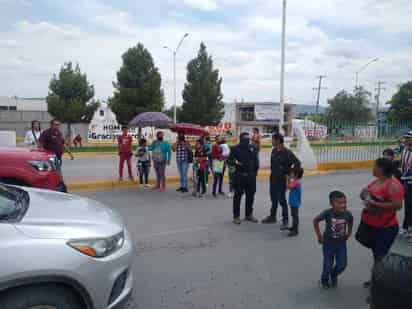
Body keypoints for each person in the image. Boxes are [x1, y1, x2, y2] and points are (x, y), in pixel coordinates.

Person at [358, 158, 404, 288]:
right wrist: (364, 194)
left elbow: (397, 205)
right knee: (377, 256)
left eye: (375, 166)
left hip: (385, 228)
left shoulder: (393, 185)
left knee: (380, 258)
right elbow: (368, 190)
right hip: (372, 225)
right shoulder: (378, 180)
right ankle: (376, 281)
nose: (373, 168)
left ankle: (379, 287)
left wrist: (374, 203)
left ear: (381, 169)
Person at [313, 191, 354, 289]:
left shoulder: (347, 213)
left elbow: (351, 220)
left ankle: (333, 274)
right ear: (331, 204)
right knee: (328, 264)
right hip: (328, 244)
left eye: (344, 202)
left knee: (342, 265)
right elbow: (316, 220)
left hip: (341, 244)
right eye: (339, 203)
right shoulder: (327, 213)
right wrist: (319, 236)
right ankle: (324, 279)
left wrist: (349, 232)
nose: (343, 205)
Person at [262, 133, 301, 228]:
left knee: (282, 200)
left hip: (282, 180)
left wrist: (290, 174)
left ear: (278, 140)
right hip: (273, 178)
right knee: (273, 198)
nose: (272, 141)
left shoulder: (287, 152)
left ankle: (285, 219)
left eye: (273, 139)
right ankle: (272, 216)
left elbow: (297, 163)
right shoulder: (274, 150)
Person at [229, 132, 259, 225]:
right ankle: (236, 216)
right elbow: (230, 160)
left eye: (248, 139)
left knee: (251, 196)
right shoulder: (235, 148)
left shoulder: (252, 147)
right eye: (245, 139)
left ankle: (249, 214)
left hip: (251, 176)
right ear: (241, 139)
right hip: (240, 176)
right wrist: (236, 163)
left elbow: (256, 161)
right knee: (237, 197)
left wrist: (254, 173)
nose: (247, 141)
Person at [281, 166, 304, 237]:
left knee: (295, 216)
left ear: (296, 175)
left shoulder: (296, 182)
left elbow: (288, 187)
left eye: (292, 173)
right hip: (293, 202)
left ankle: (295, 230)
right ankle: (294, 227)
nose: (291, 174)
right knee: (293, 215)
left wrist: (287, 179)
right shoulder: (295, 181)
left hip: (295, 202)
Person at [400, 133, 412, 236]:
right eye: (406, 138)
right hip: (406, 182)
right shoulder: (404, 150)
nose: (406, 140)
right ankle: (406, 227)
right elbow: (402, 165)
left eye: (408, 138)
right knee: (408, 205)